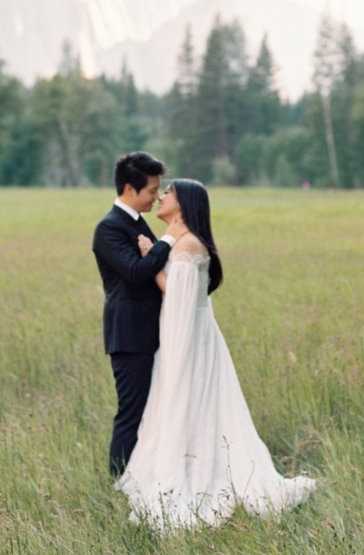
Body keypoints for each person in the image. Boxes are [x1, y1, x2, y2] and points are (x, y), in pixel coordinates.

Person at [115, 179, 316, 531]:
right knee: (197, 407)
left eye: (169, 193)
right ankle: (192, 463)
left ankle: (194, 475)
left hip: (190, 343)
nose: (161, 197)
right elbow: (178, 293)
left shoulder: (189, 245)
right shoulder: (183, 243)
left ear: (183, 204)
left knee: (193, 404)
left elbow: (178, 303)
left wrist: (150, 259)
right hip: (193, 337)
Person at [92, 152, 187, 478]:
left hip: (151, 331)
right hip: (129, 335)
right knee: (131, 413)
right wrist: (170, 238)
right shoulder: (109, 228)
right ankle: (118, 483)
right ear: (130, 189)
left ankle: (143, 477)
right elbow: (135, 272)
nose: (157, 197)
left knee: (151, 412)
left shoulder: (135, 221)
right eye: (151, 191)